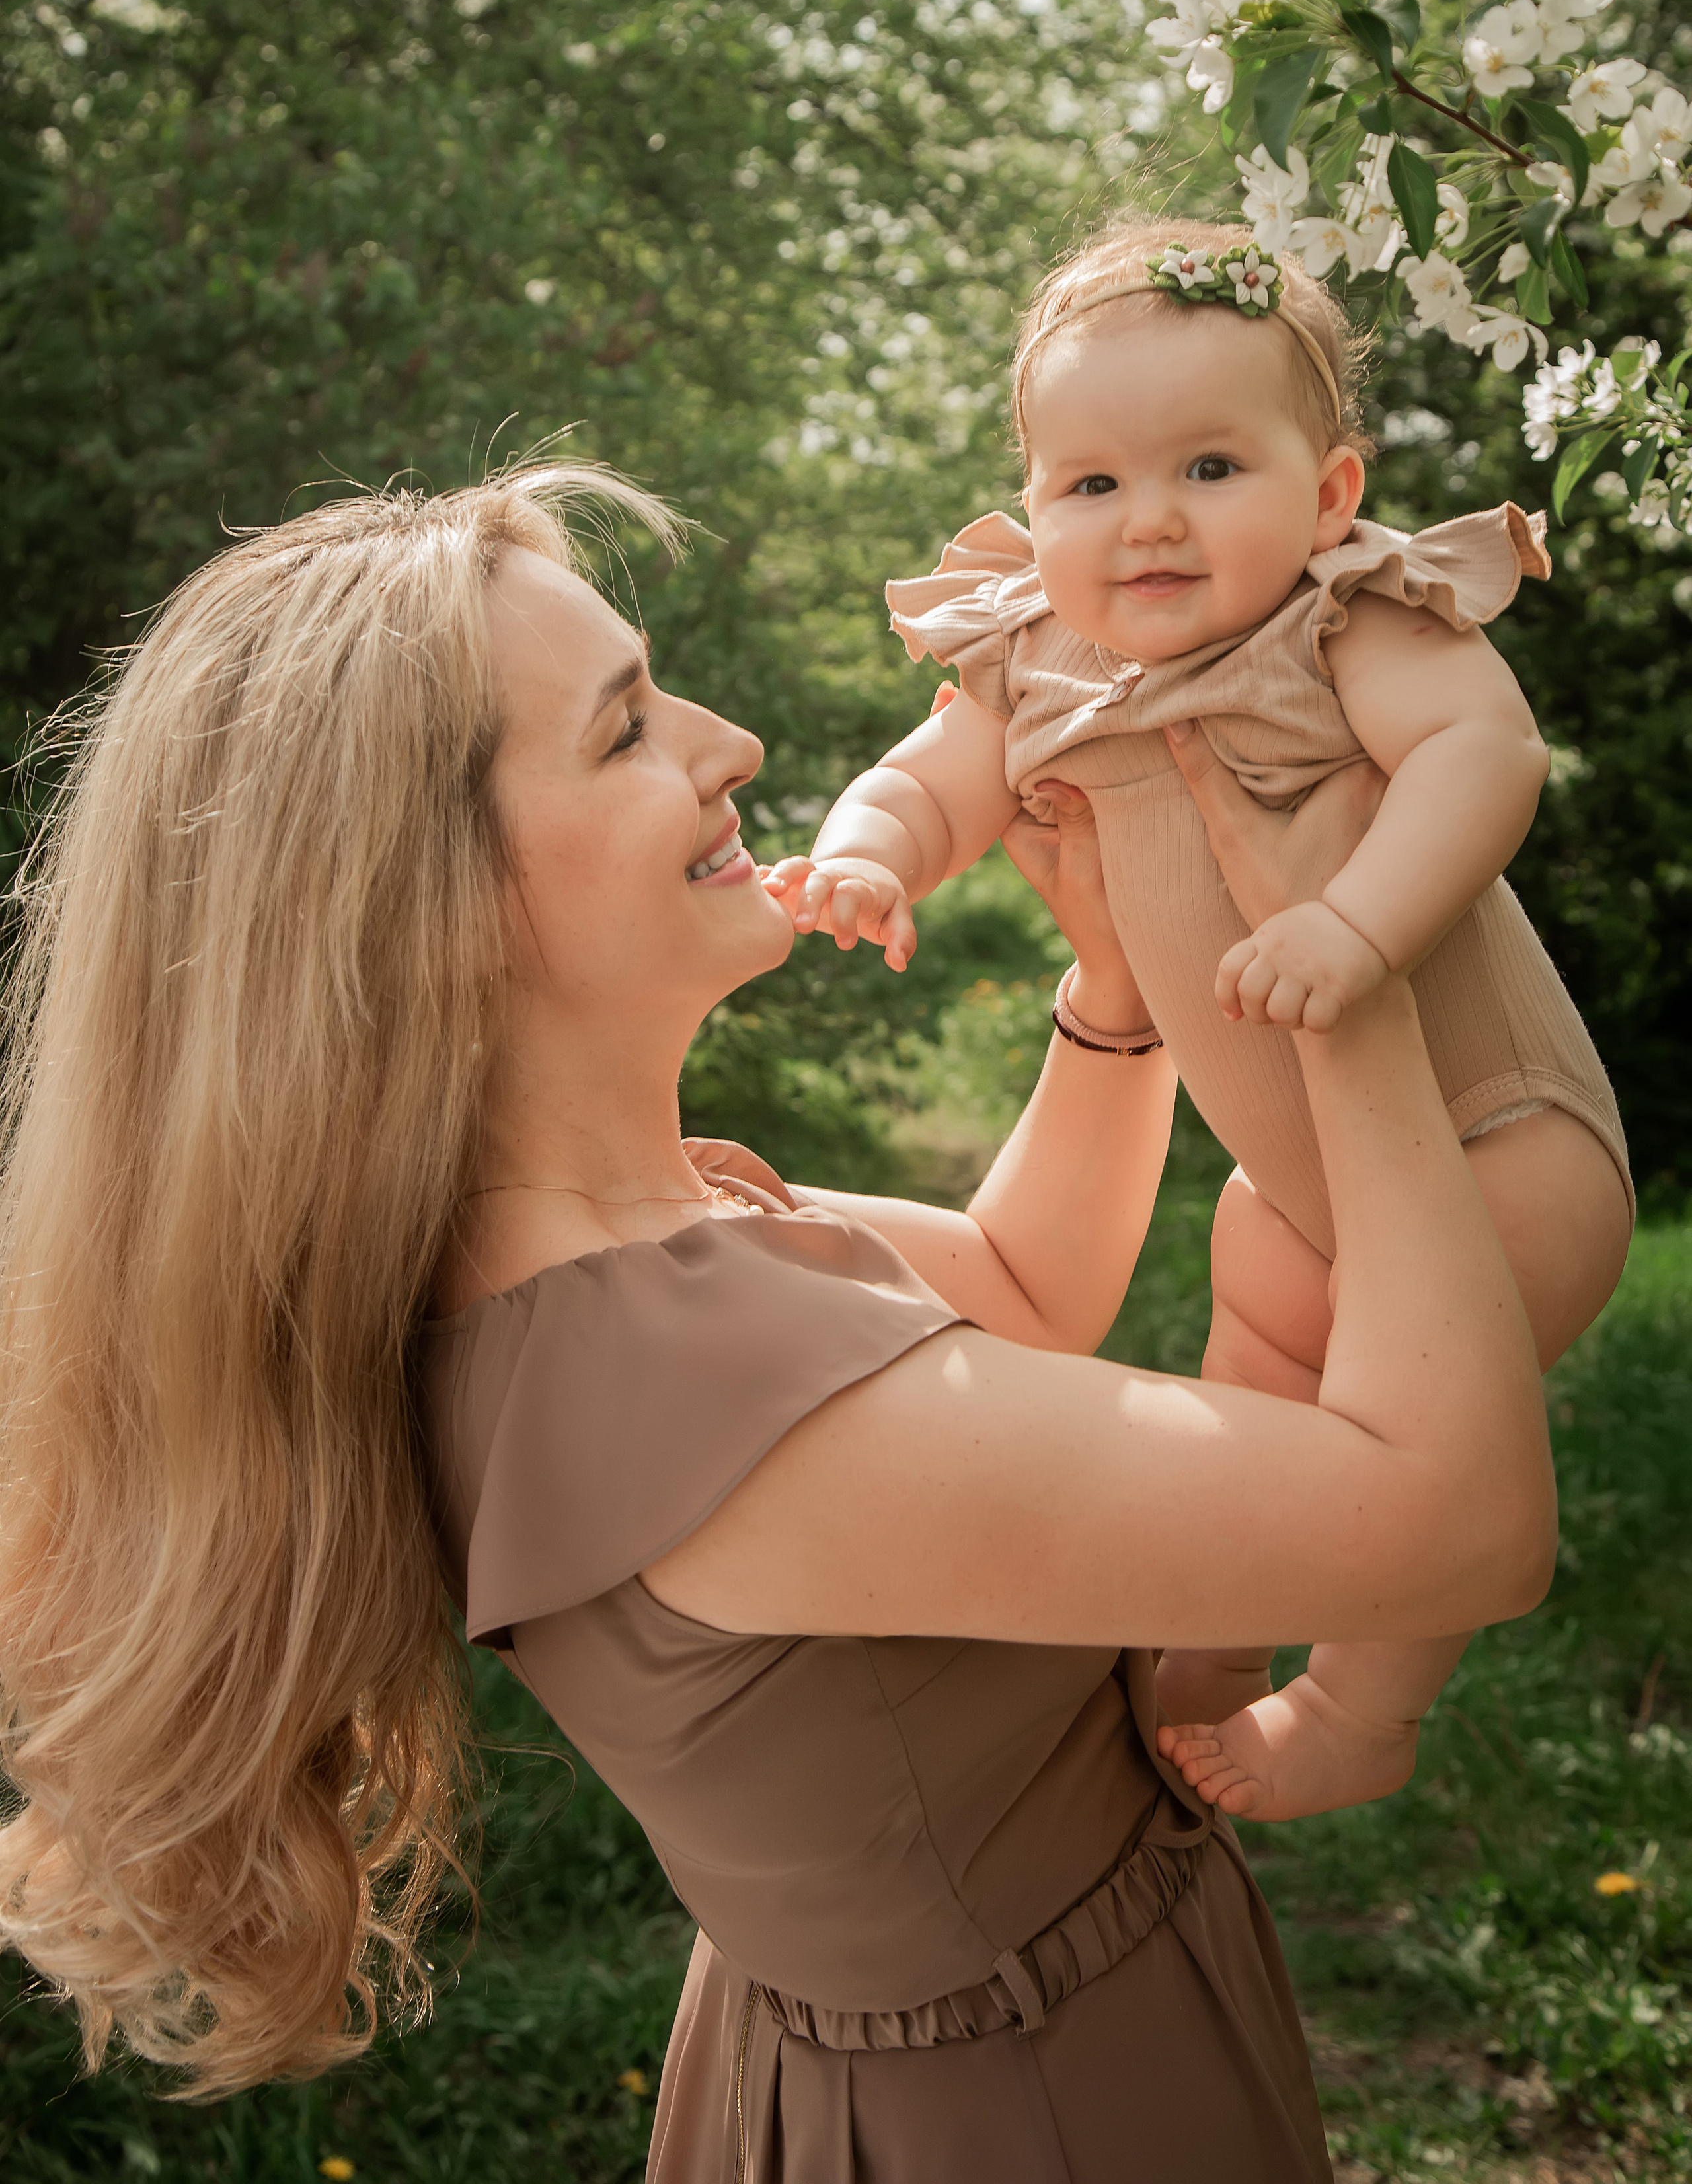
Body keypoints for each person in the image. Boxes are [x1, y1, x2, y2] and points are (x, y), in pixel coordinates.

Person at [0, 471, 1554, 2183]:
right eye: (625, 731)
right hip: (1028, 2111)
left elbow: (1015, 1287)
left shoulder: (600, 1259)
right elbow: (1457, 1525)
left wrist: (1115, 993)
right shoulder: (687, 1388)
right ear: (426, 909)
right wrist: (1352, 1000)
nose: (727, 744)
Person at [771, 215, 1632, 1823]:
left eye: (1209, 469)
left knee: (1430, 1432)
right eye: (1091, 483)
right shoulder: (1038, 656)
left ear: (1328, 495)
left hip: (1497, 1142)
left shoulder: (1341, 620)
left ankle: (1362, 1706)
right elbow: (926, 783)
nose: (1147, 519)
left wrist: (1355, 924)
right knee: (1256, 1366)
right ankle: (1215, 1637)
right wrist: (867, 857)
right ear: (1034, 508)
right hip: (1305, 1186)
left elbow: (1482, 755)